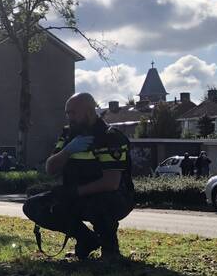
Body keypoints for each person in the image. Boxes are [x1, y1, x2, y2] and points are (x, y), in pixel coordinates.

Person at [23, 93, 134, 260]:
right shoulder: (68, 135)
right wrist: (67, 151)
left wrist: (75, 192)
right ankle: (86, 239)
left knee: (100, 203)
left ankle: (110, 249)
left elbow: (111, 183)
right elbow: (50, 168)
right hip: (77, 193)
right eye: (67, 113)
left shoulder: (110, 137)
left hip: (113, 197)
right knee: (34, 205)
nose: (69, 117)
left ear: (89, 112)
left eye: (73, 113)